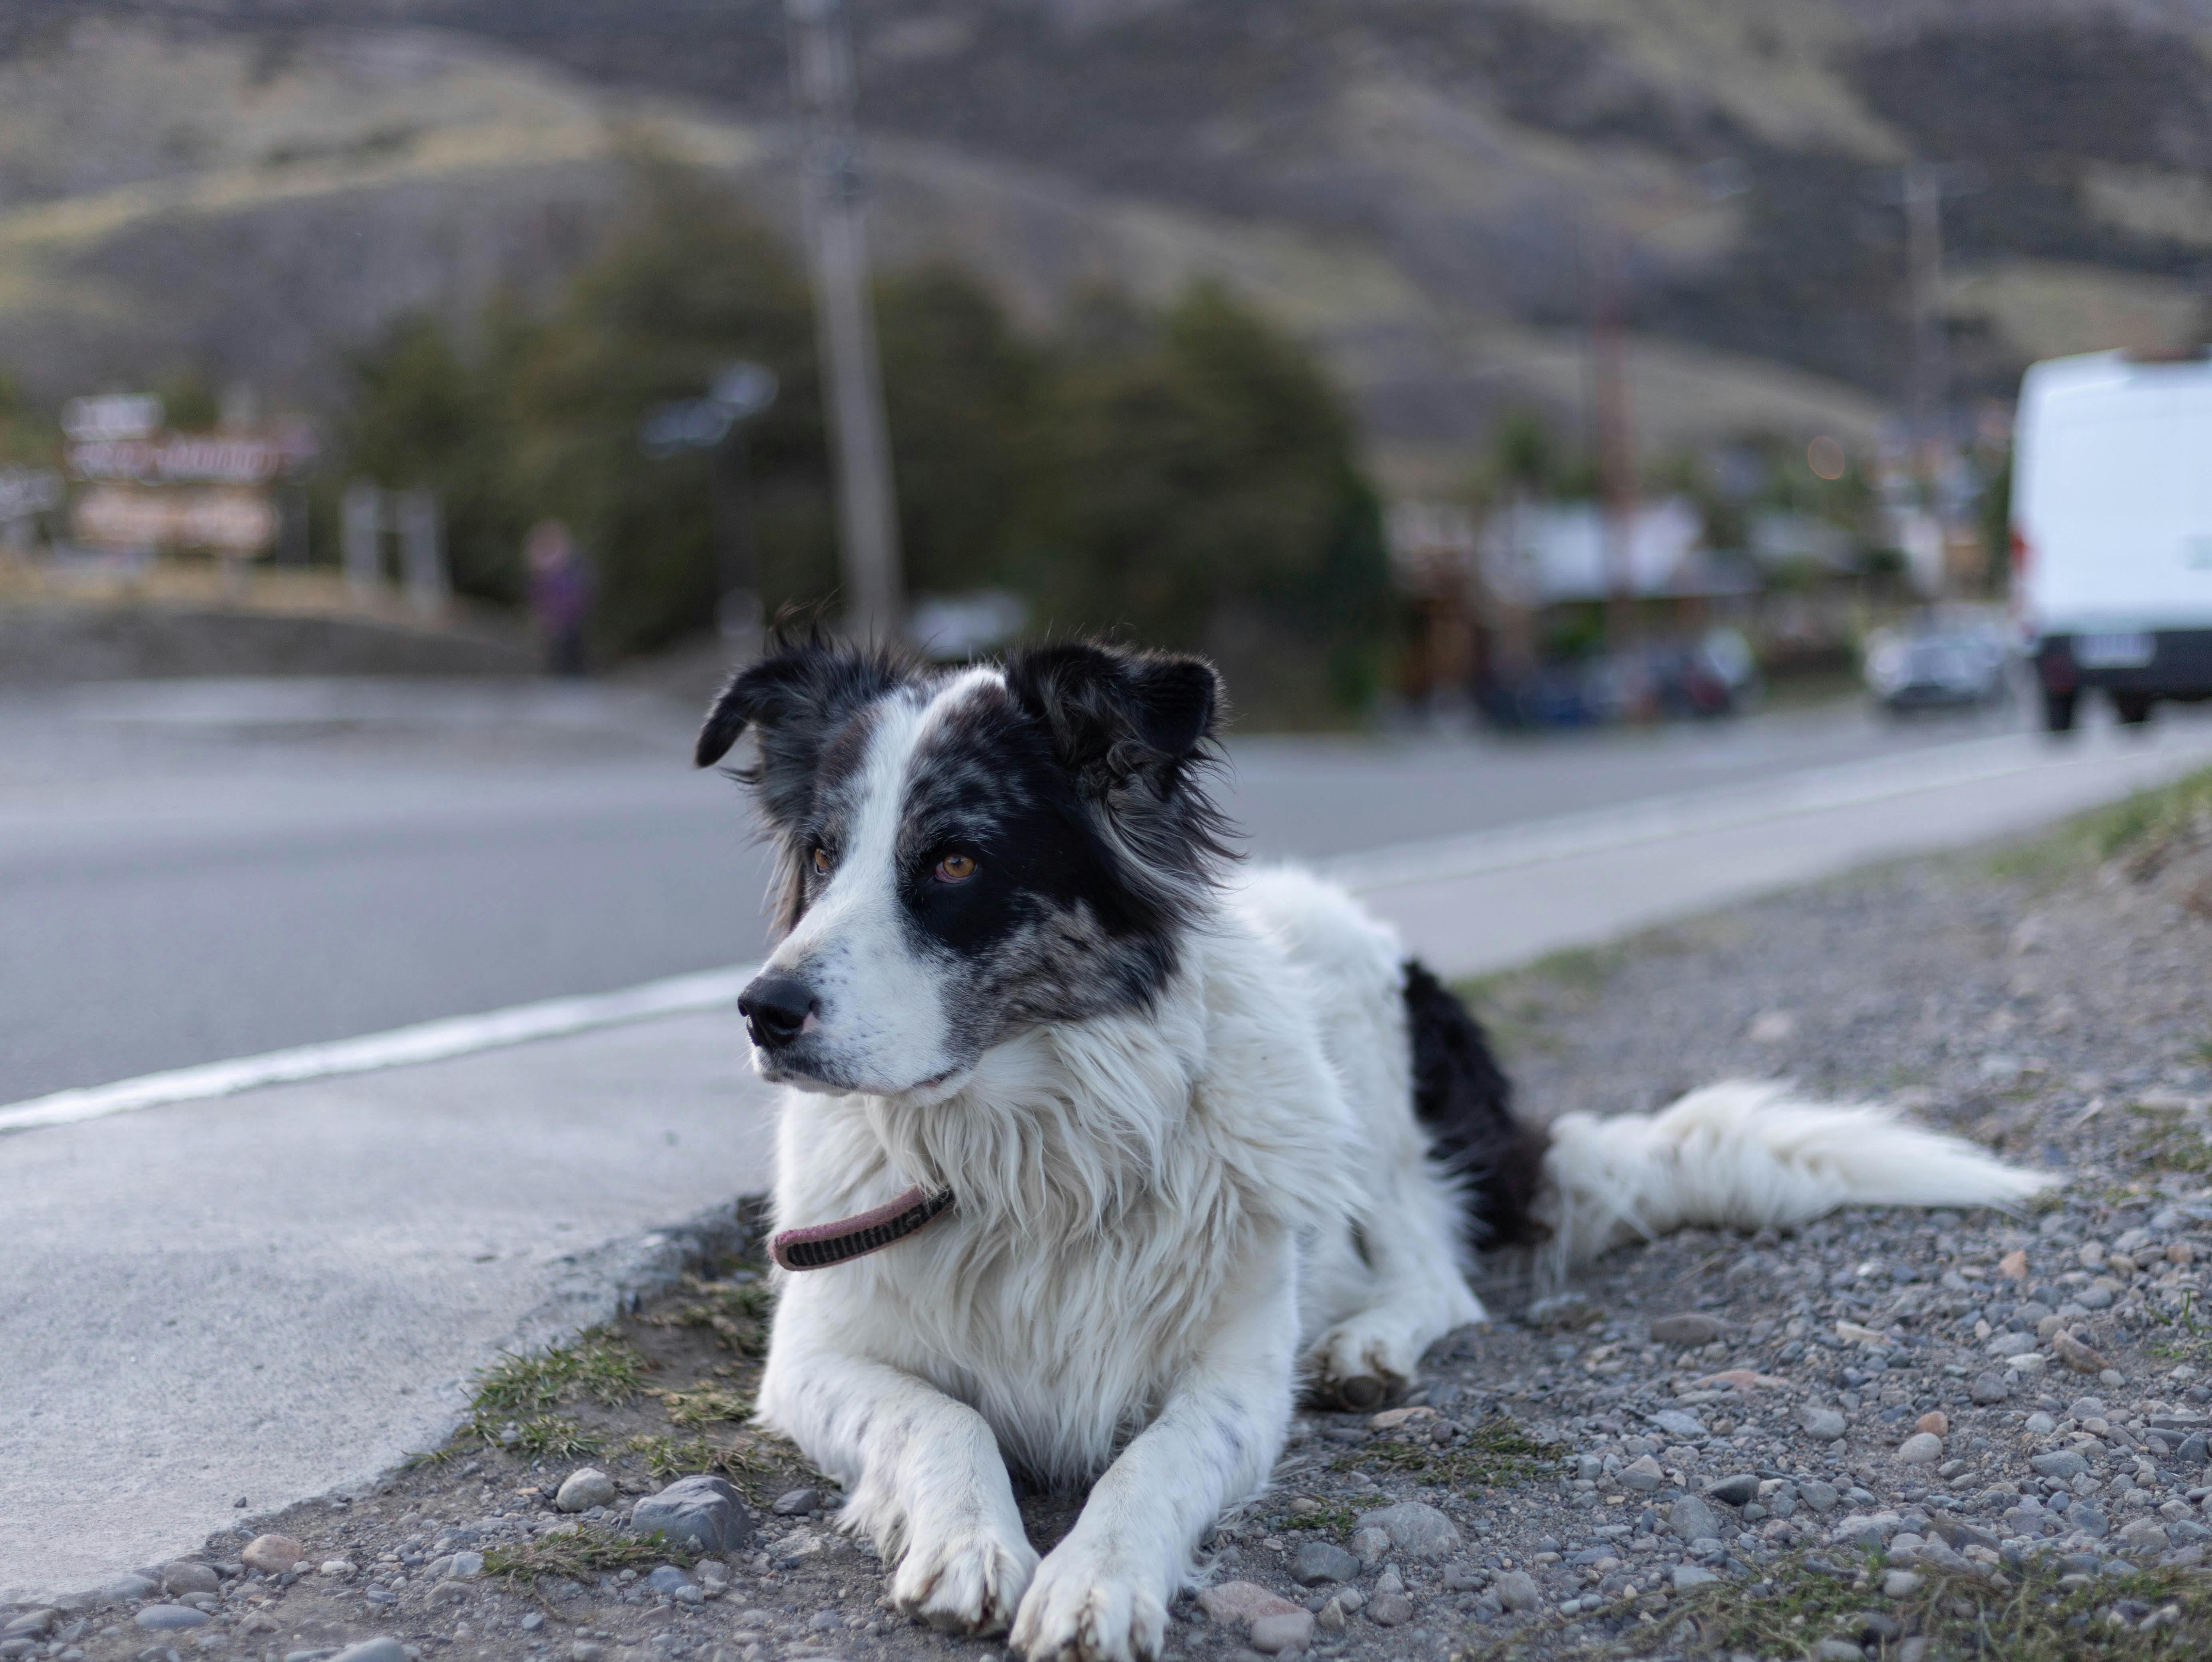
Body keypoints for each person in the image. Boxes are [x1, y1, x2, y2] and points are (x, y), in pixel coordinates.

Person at [525, 519, 592, 676]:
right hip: (556, 615)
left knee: (571, 648)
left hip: (570, 614)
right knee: (557, 650)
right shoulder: (543, 563)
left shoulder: (570, 562)